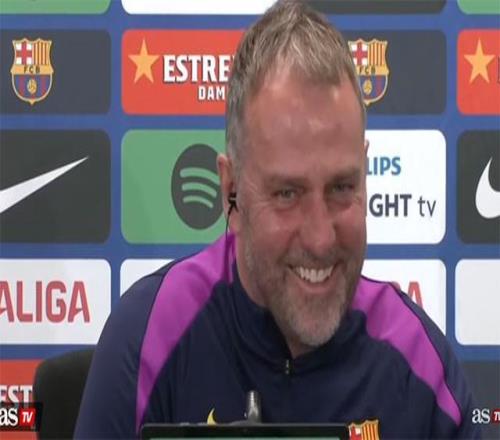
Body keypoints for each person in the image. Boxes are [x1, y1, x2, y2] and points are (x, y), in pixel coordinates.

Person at [75, 1, 479, 438]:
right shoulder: (148, 337)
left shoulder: (419, 362)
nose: (320, 238)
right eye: (287, 194)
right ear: (231, 193)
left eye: (342, 187)